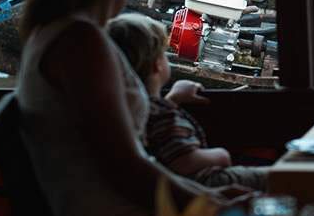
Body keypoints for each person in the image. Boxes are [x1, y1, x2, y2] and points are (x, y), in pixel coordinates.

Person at [15, 0, 241, 216]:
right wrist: (214, 205)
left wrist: (206, 196)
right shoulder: (81, 43)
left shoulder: (54, 34)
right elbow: (128, 169)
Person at [106, 13, 268, 190]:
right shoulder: (162, 115)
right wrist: (221, 155)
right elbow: (184, 161)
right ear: (157, 65)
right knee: (275, 176)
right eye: (164, 54)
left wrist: (172, 99)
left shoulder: (125, 110)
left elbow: (157, 127)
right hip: (199, 184)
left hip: (176, 184)